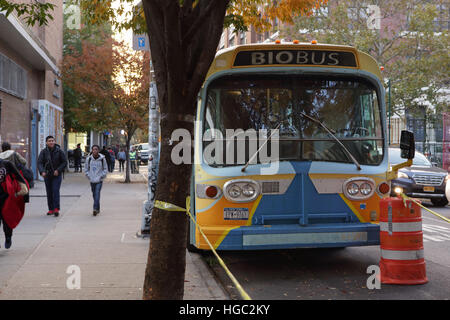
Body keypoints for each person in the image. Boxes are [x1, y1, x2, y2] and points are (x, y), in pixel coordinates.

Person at [0, 159, 29, 249]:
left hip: (6, 196)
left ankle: (8, 237)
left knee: (6, 220)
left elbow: (18, 176)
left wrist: (24, 191)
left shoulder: (6, 164)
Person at [37, 136, 67, 217]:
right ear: (46, 142)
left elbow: (64, 162)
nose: (51, 142)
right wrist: (42, 171)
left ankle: (56, 209)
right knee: (49, 192)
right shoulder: (43, 152)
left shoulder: (59, 151)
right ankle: (51, 209)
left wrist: (58, 170)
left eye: (52, 141)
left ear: (54, 142)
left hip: (56, 175)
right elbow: (39, 162)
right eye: (49, 141)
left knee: (55, 190)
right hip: (47, 175)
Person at [85, 145, 108, 216]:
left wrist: (102, 176)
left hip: (99, 180)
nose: (95, 151)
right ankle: (97, 208)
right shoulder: (89, 159)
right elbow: (86, 169)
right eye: (93, 149)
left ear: (98, 150)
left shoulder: (102, 159)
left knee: (97, 193)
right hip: (92, 180)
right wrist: (89, 176)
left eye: (96, 149)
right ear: (92, 150)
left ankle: (95, 209)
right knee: (94, 195)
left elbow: (105, 169)